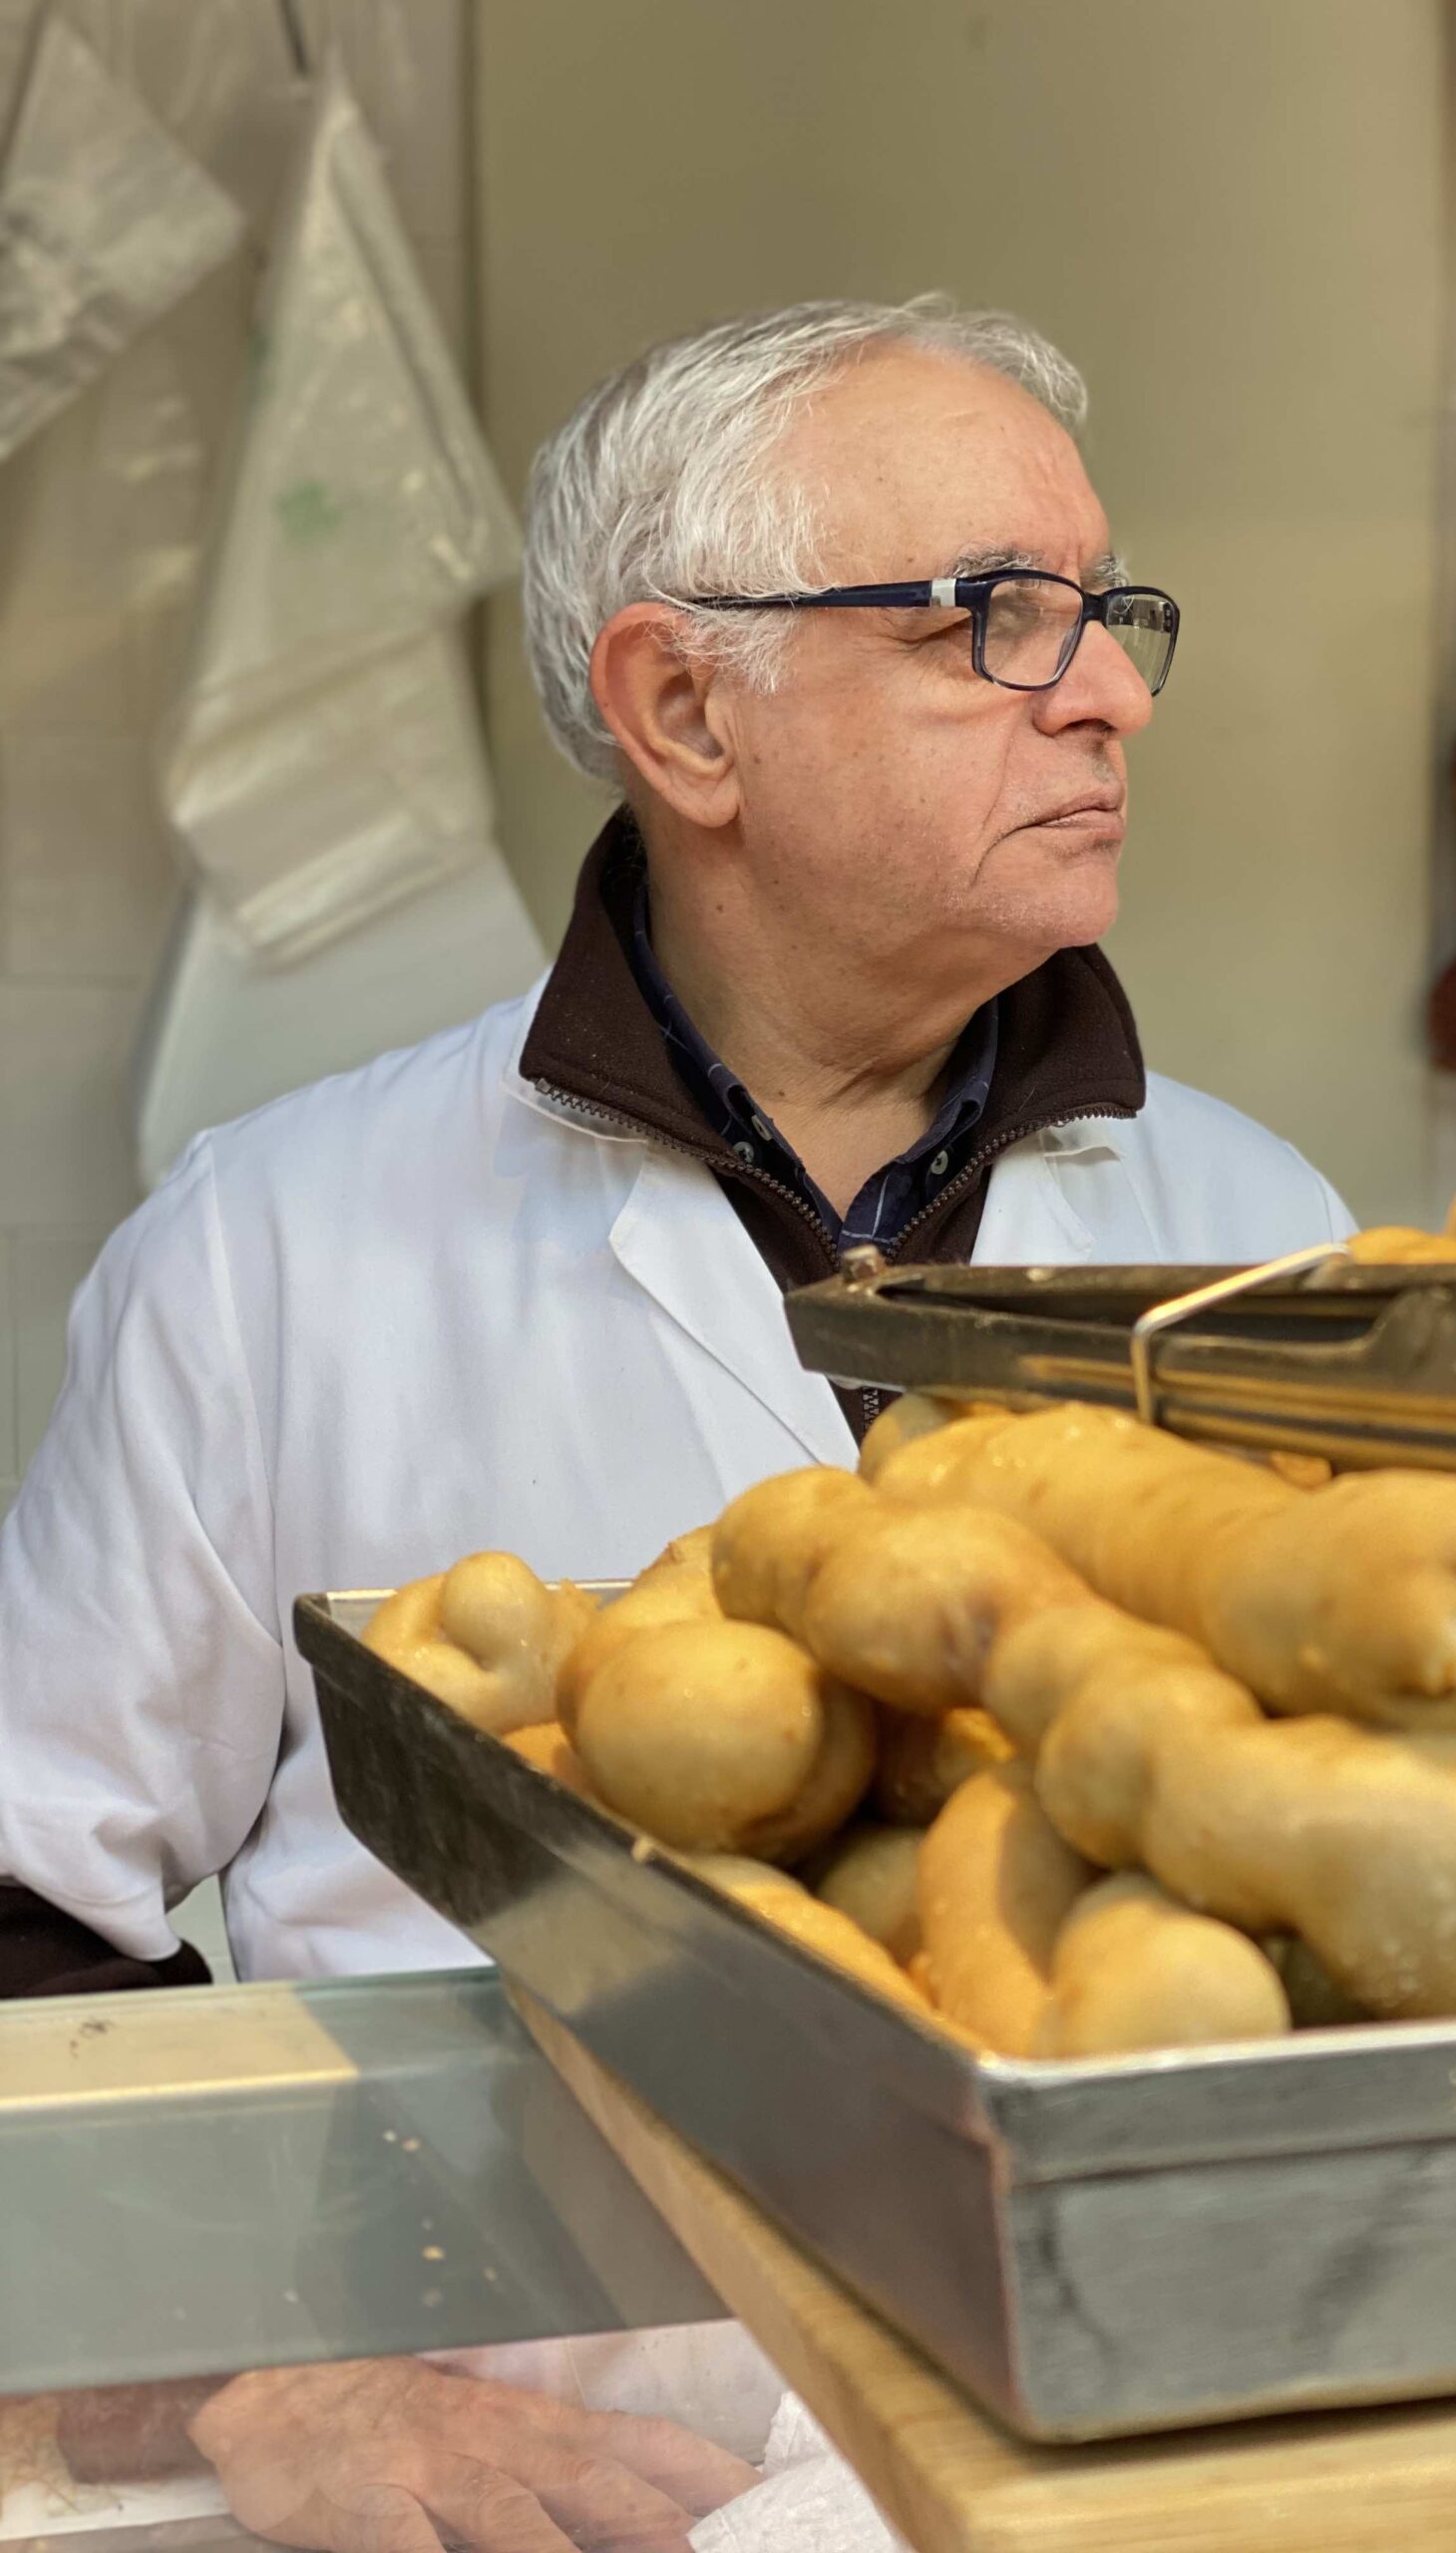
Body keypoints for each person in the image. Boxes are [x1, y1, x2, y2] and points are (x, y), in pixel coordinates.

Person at [0, 296, 1350, 2548]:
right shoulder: (273, 1249)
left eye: (1109, 613)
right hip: (528, 2503)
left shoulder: (1256, 1235)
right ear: (682, 708)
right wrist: (266, 2387)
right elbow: (26, 1908)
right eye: (996, 620)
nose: (1110, 687)